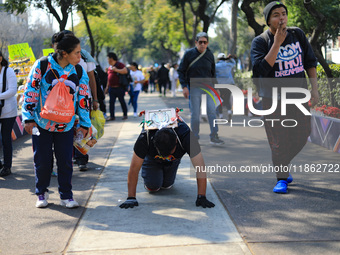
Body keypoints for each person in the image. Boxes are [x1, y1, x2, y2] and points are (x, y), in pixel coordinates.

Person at [250, 1, 319, 193]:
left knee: (303, 134)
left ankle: (283, 163)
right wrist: (277, 43)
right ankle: (281, 177)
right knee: (278, 140)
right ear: (268, 20)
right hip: (273, 101)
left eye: (283, 14)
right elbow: (261, 71)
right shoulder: (260, 41)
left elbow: (310, 62)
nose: (281, 18)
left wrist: (314, 89)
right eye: (276, 15)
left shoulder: (297, 35)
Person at [22, 32, 91, 208]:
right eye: (77, 53)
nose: (80, 56)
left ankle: (66, 196)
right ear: (65, 53)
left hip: (66, 125)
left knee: (66, 161)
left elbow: (83, 98)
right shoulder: (42, 65)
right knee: (43, 161)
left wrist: (85, 124)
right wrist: (28, 118)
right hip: (41, 123)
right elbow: (31, 90)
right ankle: (41, 193)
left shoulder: (79, 70)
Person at [119, 119, 215, 209]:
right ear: (154, 143)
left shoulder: (186, 136)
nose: (165, 156)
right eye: (162, 153)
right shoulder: (145, 137)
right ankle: (150, 172)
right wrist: (131, 197)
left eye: (169, 152)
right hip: (153, 160)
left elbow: (200, 167)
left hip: (173, 160)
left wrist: (201, 196)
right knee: (154, 186)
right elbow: (134, 169)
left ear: (176, 141)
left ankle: (168, 171)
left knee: (167, 185)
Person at [177, 32, 224, 145]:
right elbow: (181, 70)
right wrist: (184, 87)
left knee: (212, 112)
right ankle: (195, 137)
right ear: (196, 42)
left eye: (205, 42)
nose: (202, 44)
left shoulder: (209, 54)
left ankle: (214, 136)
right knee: (195, 114)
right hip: (194, 87)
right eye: (200, 42)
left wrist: (216, 87)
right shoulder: (189, 54)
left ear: (207, 43)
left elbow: (213, 73)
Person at [0, 51, 17, 177]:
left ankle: (7, 166)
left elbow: (12, 91)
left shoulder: (8, 71)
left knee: (6, 138)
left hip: (8, 111)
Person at [104, 52, 128, 120]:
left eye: (108, 59)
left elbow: (125, 71)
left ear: (111, 58)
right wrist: (107, 87)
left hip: (119, 87)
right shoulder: (110, 67)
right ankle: (112, 116)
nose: (108, 60)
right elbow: (109, 77)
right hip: (111, 88)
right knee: (111, 102)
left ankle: (125, 114)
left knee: (122, 101)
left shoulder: (119, 64)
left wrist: (116, 70)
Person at [215, 53, 236, 121]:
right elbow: (234, 62)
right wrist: (229, 58)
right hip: (229, 85)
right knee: (227, 99)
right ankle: (229, 111)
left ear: (218, 59)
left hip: (220, 85)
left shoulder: (216, 66)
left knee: (219, 99)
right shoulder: (228, 65)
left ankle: (221, 115)